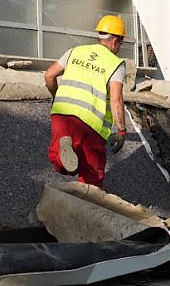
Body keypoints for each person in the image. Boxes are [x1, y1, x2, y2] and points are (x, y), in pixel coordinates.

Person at [44, 14, 128, 188]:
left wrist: (56, 97)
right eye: (121, 43)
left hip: (61, 113)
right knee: (91, 174)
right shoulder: (115, 63)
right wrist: (121, 130)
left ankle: (63, 152)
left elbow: (49, 75)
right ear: (115, 40)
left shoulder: (75, 51)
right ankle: (85, 208)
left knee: (60, 161)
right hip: (90, 124)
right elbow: (116, 99)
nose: (120, 47)